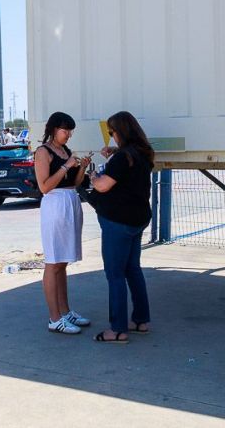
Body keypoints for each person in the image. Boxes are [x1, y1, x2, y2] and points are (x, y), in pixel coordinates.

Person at [87, 111, 154, 343]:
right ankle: (141, 320)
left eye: (112, 132)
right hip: (138, 219)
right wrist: (114, 154)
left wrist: (94, 175)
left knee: (115, 274)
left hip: (118, 222)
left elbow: (103, 186)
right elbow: (126, 165)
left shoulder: (122, 158)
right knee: (133, 269)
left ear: (120, 132)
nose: (111, 137)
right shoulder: (142, 154)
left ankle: (117, 329)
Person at [33, 111, 91, 334]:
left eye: (70, 131)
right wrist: (66, 166)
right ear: (54, 129)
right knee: (53, 261)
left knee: (63, 262)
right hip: (55, 205)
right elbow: (45, 187)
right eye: (65, 130)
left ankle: (65, 312)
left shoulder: (64, 151)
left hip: (69, 201)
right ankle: (54, 317)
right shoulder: (43, 152)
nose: (68, 134)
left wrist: (81, 167)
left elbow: (74, 183)